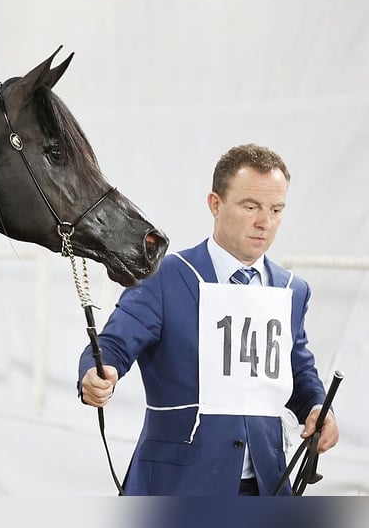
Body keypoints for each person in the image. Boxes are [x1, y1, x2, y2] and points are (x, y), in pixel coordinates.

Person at [78, 144, 339, 496]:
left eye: (276, 209)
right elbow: (112, 345)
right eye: (251, 207)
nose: (265, 222)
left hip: (265, 485)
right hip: (179, 486)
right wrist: (96, 373)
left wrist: (319, 408)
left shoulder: (293, 290)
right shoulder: (164, 277)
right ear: (215, 204)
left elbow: (299, 372)